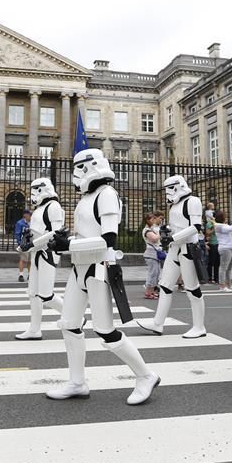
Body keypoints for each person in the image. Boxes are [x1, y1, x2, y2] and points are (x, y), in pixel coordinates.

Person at [47, 148, 159, 405]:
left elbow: (108, 240)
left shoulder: (107, 194)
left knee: (105, 330)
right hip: (80, 267)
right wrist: (66, 242)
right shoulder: (87, 197)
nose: (74, 175)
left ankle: (146, 375)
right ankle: (77, 382)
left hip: (99, 268)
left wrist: (69, 245)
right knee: (69, 324)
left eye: (77, 168)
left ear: (89, 167)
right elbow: (87, 236)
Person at [137, 174, 207, 339]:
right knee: (165, 286)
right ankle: (158, 323)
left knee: (192, 289)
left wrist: (172, 237)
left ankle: (199, 326)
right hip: (175, 248)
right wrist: (168, 231)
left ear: (179, 186)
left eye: (171, 188)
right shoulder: (175, 206)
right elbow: (178, 227)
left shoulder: (192, 201)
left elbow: (195, 226)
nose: (168, 193)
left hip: (188, 249)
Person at [15, 179, 65, 340]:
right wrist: (27, 242)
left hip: (48, 253)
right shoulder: (39, 209)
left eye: (36, 189)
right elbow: (37, 231)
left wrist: (32, 243)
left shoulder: (54, 207)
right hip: (36, 253)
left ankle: (74, 317)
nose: (33, 193)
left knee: (46, 294)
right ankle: (34, 329)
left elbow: (56, 233)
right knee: (33, 293)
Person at [213, 211, 232, 292]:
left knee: (229, 268)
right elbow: (230, 229)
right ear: (222, 218)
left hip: (230, 248)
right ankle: (222, 286)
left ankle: (228, 285)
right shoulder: (218, 226)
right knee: (223, 267)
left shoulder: (223, 225)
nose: (226, 217)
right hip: (225, 248)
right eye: (225, 216)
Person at [142, 213, 162, 299]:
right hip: (150, 254)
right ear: (147, 220)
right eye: (152, 219)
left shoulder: (152, 229)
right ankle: (148, 292)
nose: (154, 220)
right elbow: (154, 238)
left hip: (155, 254)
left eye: (154, 219)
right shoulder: (147, 230)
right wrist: (160, 234)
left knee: (156, 273)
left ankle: (152, 291)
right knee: (152, 274)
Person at [14, 210, 32, 282]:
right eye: (29, 215)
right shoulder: (20, 223)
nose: (31, 216)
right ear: (25, 215)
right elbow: (17, 233)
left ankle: (29, 274)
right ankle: (21, 275)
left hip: (31, 243)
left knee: (30, 260)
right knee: (22, 259)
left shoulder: (32, 223)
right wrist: (19, 243)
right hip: (23, 243)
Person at [205, 214, 220, 284]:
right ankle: (210, 277)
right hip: (212, 243)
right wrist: (214, 228)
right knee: (211, 261)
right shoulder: (209, 223)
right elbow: (208, 233)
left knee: (217, 262)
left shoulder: (219, 223)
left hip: (219, 243)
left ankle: (216, 278)